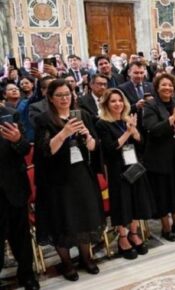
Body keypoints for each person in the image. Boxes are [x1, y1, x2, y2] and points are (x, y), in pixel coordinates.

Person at [33, 79, 104, 281]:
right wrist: (65, 132)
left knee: (84, 214)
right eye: (60, 95)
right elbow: (46, 150)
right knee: (62, 218)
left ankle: (86, 257)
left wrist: (87, 135)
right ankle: (66, 263)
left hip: (81, 173)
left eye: (68, 94)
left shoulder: (82, 115)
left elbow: (93, 147)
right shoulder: (43, 119)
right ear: (51, 98)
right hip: (57, 179)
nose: (65, 98)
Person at [96, 89, 154, 259]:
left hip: (134, 165)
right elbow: (110, 149)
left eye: (120, 100)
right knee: (122, 204)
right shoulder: (102, 123)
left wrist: (134, 131)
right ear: (106, 104)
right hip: (117, 169)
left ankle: (134, 233)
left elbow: (141, 143)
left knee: (138, 201)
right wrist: (127, 132)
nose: (118, 104)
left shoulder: (127, 119)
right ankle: (122, 237)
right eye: (113, 101)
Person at [143, 73, 175, 241]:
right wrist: (172, 118)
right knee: (164, 193)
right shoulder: (150, 106)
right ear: (157, 87)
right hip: (159, 157)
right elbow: (153, 129)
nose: (168, 88)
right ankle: (166, 228)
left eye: (170, 85)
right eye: (164, 85)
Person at [0, 104, 40, 290]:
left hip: (14, 188)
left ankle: (27, 275)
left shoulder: (10, 115)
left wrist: (17, 139)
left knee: (21, 237)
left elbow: (25, 149)